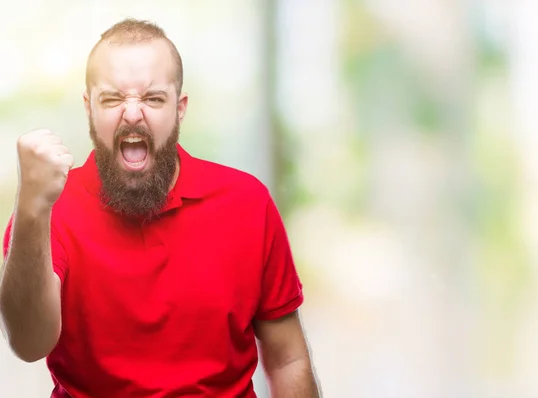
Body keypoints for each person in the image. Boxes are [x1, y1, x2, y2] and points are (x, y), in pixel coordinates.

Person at [0, 18, 320, 398]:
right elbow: (28, 343)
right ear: (89, 109)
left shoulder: (247, 203)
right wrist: (32, 207)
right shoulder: (50, 211)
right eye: (112, 98)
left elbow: (288, 361)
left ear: (179, 108)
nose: (133, 114)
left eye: (153, 98)